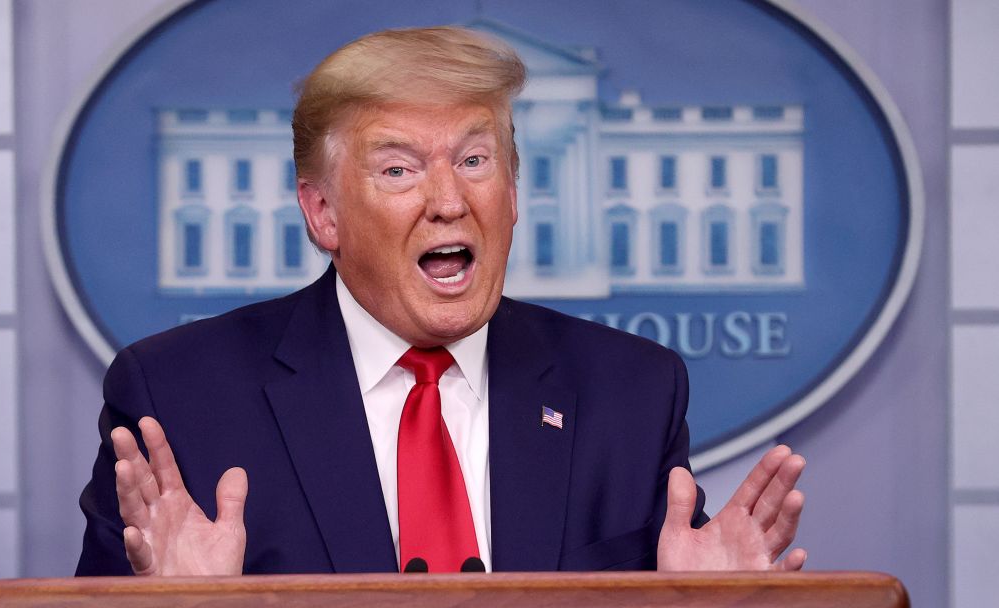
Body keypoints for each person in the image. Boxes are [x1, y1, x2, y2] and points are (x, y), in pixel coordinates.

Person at [75, 26, 806, 578]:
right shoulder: (179, 398)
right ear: (322, 213)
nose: (449, 201)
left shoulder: (630, 392)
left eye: (474, 160)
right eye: (399, 168)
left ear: (514, 192)